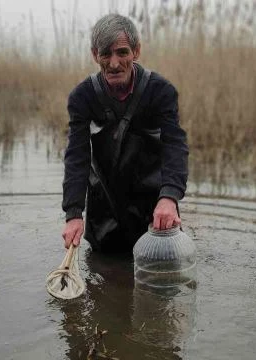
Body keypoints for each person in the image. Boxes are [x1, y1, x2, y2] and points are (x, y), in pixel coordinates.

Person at [60, 14, 189, 253]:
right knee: (101, 273)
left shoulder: (161, 92)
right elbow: (77, 156)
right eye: (105, 54)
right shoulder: (82, 97)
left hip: (155, 210)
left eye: (122, 52)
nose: (114, 63)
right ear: (94, 55)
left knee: (163, 271)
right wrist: (74, 213)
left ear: (136, 51)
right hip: (104, 213)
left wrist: (169, 197)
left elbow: (175, 145)